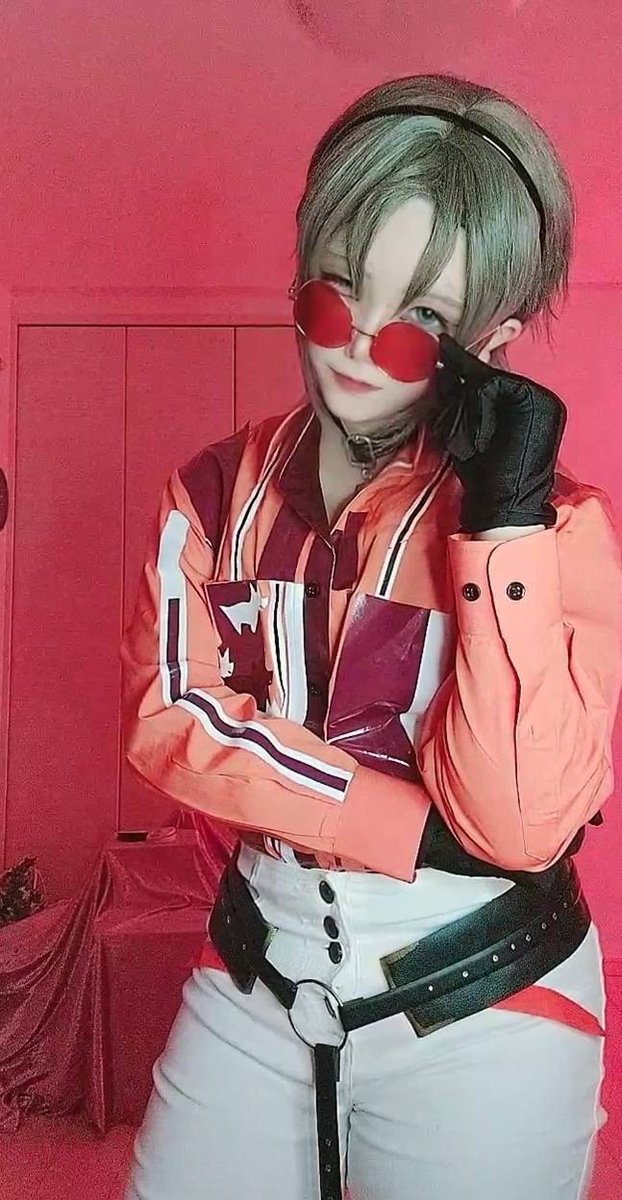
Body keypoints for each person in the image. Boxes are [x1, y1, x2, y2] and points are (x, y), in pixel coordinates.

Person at [120, 72, 622, 1200]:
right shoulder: (209, 494)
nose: (355, 350)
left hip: (485, 995)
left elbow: (516, 824)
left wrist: (500, 530)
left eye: (419, 325)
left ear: (489, 341)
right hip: (255, 965)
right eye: (335, 296)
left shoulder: (560, 531)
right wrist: (391, 818)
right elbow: (169, 718)